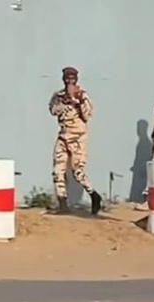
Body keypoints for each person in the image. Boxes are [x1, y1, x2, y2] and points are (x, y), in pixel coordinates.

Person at [49, 66, 102, 214]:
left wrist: (77, 101)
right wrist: (64, 101)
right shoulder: (58, 95)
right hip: (63, 135)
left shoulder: (83, 95)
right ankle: (63, 204)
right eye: (67, 78)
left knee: (78, 171)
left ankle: (94, 195)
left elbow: (87, 115)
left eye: (72, 78)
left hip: (78, 137)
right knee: (57, 170)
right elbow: (53, 110)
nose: (69, 81)